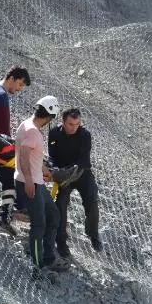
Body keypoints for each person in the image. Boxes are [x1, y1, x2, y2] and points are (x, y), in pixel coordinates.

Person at [14, 96, 69, 272]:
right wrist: (29, 180)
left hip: (36, 181)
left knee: (53, 215)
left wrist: (47, 171)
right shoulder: (33, 132)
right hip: (30, 183)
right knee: (39, 224)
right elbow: (23, 155)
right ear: (50, 117)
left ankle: (48, 256)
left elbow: (32, 156)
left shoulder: (28, 125)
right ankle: (38, 265)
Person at [49, 108, 103, 258]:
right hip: (63, 175)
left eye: (77, 124)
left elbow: (84, 160)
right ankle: (61, 242)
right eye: (71, 124)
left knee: (92, 201)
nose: (74, 127)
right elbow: (52, 156)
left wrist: (72, 170)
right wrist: (55, 169)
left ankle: (93, 234)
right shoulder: (54, 133)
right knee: (60, 204)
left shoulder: (85, 135)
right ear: (63, 121)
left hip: (81, 174)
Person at [0, 65, 31, 236]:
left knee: (8, 176)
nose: (18, 89)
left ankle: (7, 215)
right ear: (11, 78)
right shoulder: (1, 95)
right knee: (16, 173)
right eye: (19, 84)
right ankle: (15, 211)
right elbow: (3, 130)